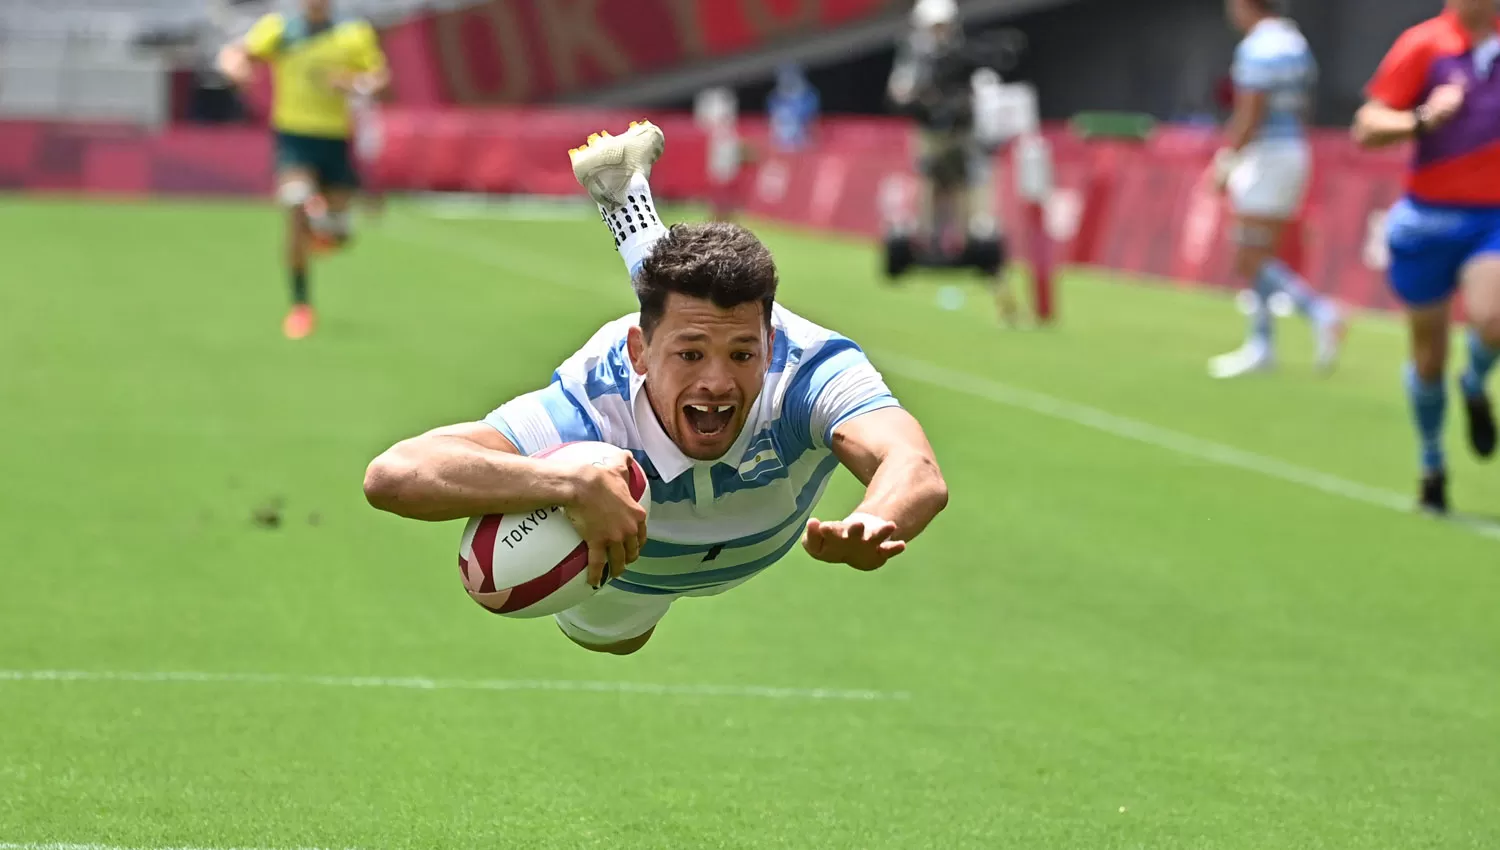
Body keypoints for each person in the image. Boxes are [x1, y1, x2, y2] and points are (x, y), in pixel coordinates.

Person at [363, 121, 950, 655]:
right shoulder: (594, 406)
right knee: (615, 640)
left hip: (741, 504)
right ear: (635, 355)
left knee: (698, 315)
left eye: (745, 355)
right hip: (632, 572)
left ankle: (626, 200)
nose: (718, 382)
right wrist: (564, 481)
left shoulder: (806, 369)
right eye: (691, 356)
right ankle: (627, 201)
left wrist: (879, 515)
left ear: (770, 349)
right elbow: (394, 475)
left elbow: (911, 463)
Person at [1351, 0, 1500, 513]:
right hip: (1429, 219)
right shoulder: (1424, 44)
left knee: (1495, 319)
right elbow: (1366, 126)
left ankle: (1476, 380)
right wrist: (1422, 118)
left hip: (1493, 218)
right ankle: (1432, 462)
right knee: (1428, 356)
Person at [216, 0, 389, 340]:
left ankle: (323, 225)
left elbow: (379, 78)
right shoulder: (280, 30)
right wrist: (234, 69)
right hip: (294, 137)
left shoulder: (352, 33)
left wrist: (355, 84)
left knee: (338, 235)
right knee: (295, 203)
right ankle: (300, 307)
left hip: (336, 139)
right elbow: (236, 53)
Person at [1205, 0, 1345, 379]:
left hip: (1267, 155)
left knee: (1247, 257)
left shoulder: (1257, 47)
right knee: (1263, 252)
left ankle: (1319, 312)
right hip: (1295, 150)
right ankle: (1262, 345)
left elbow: (1250, 115)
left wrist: (1225, 162)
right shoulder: (1295, 41)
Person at [886, 0, 1021, 325]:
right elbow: (900, 93)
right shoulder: (915, 57)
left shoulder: (963, 55)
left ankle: (970, 243)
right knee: (930, 185)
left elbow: (984, 89)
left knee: (967, 188)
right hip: (932, 134)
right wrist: (923, 100)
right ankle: (927, 242)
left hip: (962, 135)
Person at [767, 64, 820, 153]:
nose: (787, 79)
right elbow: (772, 124)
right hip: (780, 145)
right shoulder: (773, 98)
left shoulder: (809, 98)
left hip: (802, 144)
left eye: (790, 75)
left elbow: (812, 124)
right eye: (784, 76)